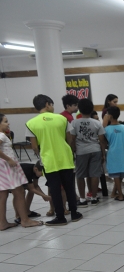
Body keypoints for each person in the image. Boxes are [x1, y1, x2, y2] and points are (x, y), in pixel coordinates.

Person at [26, 95, 83, 226]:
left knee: (55, 189)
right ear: (47, 104)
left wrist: (41, 154)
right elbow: (70, 139)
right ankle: (74, 213)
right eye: (51, 104)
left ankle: (60, 217)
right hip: (65, 158)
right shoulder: (62, 119)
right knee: (69, 186)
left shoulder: (31, 123)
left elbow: (34, 146)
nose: (53, 107)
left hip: (49, 160)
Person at [0, 114, 44, 230]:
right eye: (5, 121)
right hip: (7, 167)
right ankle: (25, 220)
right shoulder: (1, 136)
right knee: (19, 192)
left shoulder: (4, 135)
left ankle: (2, 222)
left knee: (2, 194)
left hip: (2, 167)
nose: (8, 123)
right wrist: (9, 159)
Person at [70, 98, 106, 206]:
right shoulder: (97, 123)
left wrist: (72, 152)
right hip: (95, 150)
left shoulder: (74, 123)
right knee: (94, 174)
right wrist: (103, 153)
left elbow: (72, 139)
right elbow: (102, 140)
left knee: (80, 175)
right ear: (92, 110)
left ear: (79, 110)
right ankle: (94, 198)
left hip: (81, 152)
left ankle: (82, 199)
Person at [103, 106, 124, 201]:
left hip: (113, 153)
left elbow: (105, 142)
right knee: (120, 174)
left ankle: (117, 194)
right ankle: (117, 194)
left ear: (110, 116)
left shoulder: (106, 129)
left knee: (116, 174)